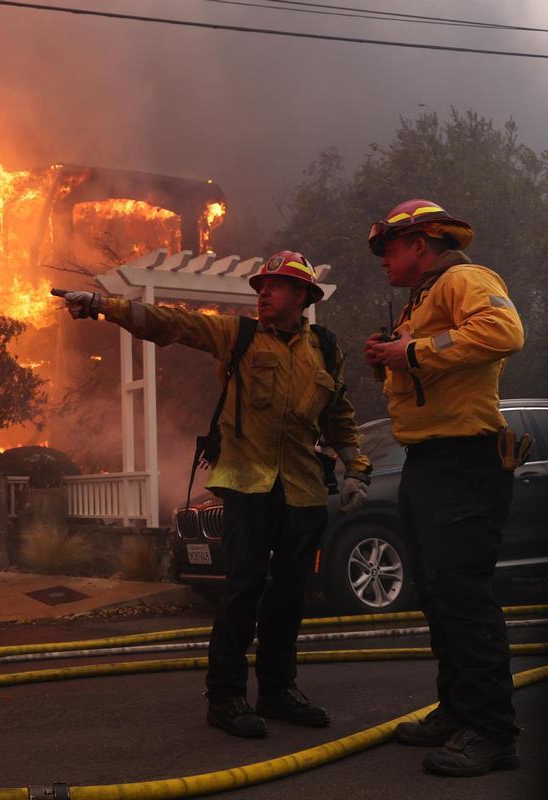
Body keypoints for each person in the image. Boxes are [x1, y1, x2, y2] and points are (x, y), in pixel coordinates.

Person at [60, 251, 371, 738]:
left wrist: (356, 467)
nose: (263, 293)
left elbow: (339, 413)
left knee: (290, 596)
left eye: (276, 286)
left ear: (303, 296)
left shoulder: (326, 348)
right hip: (248, 484)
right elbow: (172, 323)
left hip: (304, 491)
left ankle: (277, 690)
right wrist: (103, 305)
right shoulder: (238, 335)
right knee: (244, 589)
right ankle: (225, 698)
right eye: (260, 286)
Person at [364, 199, 525, 777]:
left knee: (463, 596)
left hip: (464, 463)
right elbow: (429, 365)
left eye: (390, 247)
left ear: (422, 243)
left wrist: (408, 351)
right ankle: (459, 711)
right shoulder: (423, 300)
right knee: (436, 594)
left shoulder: (465, 278)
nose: (383, 258)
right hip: (429, 463)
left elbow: (504, 331)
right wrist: (389, 357)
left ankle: (491, 732)